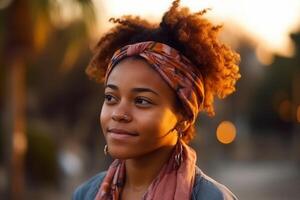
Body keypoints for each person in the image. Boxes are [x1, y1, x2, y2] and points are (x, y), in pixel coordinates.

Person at [73, 0, 241, 199]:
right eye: (111, 97)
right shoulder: (86, 194)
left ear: (184, 115)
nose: (119, 114)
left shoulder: (211, 198)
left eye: (142, 101)